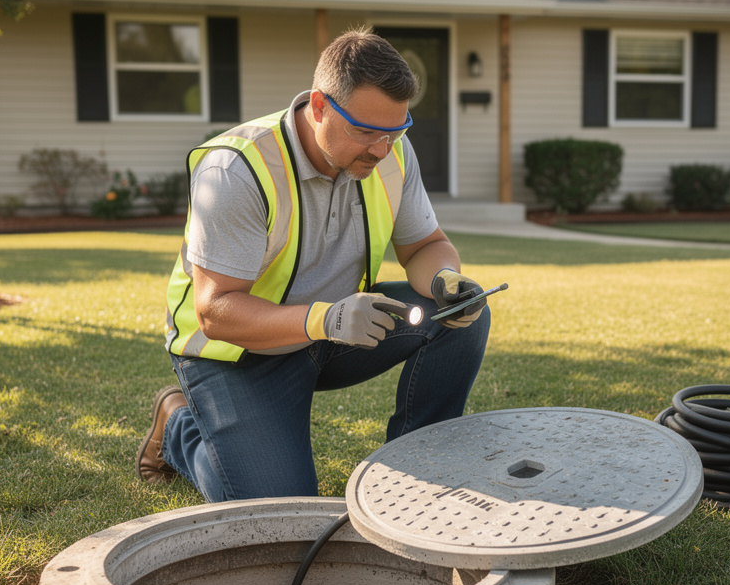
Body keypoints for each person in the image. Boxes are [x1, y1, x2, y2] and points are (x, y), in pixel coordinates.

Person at [135, 28, 490, 502]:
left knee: (462, 314)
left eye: (396, 131)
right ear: (319, 107)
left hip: (335, 330)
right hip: (237, 353)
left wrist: (445, 280)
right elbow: (215, 312)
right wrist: (326, 319)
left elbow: (426, 244)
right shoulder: (236, 170)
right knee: (280, 509)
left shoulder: (391, 154)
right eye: (366, 131)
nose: (381, 149)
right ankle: (178, 425)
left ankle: (418, 473)